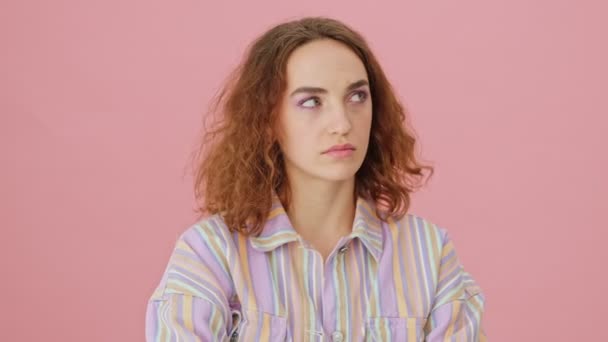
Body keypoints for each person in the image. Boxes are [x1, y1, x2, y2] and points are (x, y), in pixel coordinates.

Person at [145, 16, 486, 341]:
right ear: (267, 120)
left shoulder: (430, 252)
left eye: (357, 96)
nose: (342, 123)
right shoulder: (210, 254)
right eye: (311, 101)